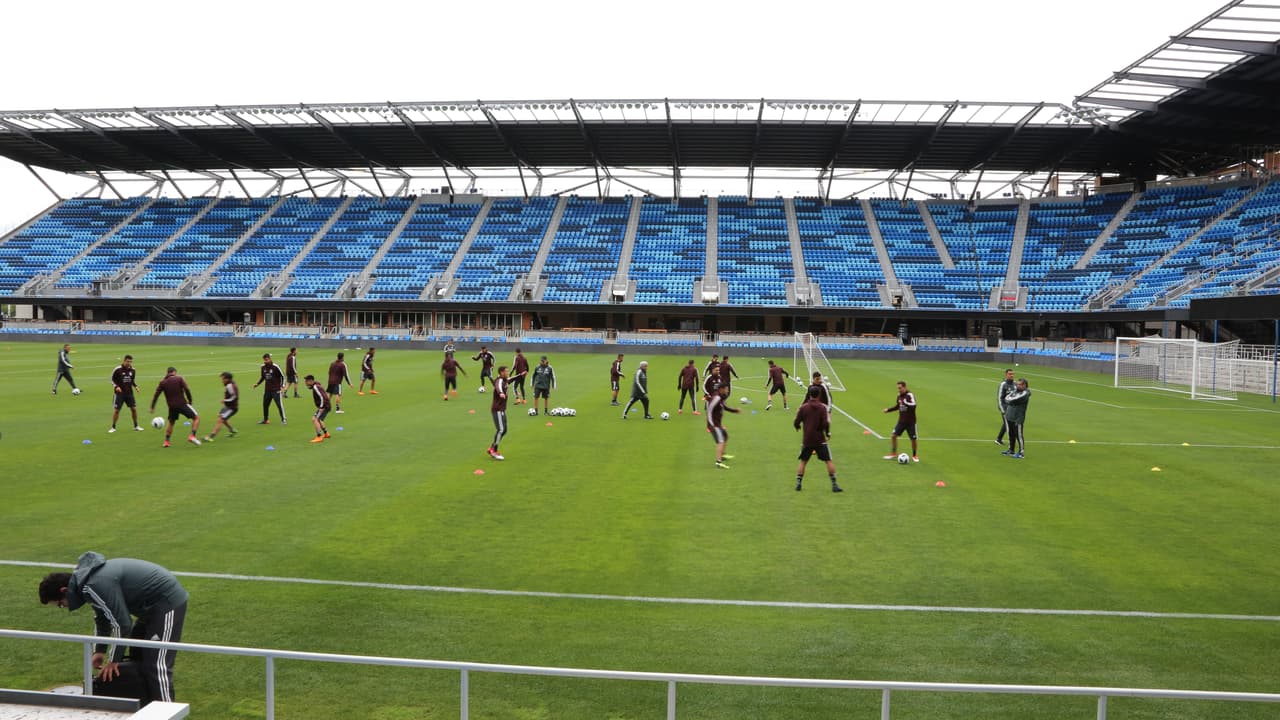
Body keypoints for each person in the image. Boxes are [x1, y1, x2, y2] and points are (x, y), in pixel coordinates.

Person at [40, 552, 189, 704]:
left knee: (157, 664)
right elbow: (102, 618)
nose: (63, 607)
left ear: (64, 590)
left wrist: (113, 660)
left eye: (60, 604)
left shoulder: (92, 585)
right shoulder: (86, 584)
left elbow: (123, 624)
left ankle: (167, 712)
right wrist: (99, 650)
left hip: (167, 603)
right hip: (149, 608)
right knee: (138, 655)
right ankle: (147, 706)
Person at [794, 386, 842, 492]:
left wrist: (797, 427)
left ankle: (798, 483)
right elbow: (826, 422)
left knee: (803, 461)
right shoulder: (822, 408)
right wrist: (827, 432)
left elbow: (796, 421)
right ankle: (834, 485)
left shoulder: (804, 407)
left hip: (807, 439)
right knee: (828, 461)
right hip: (820, 439)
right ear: (819, 395)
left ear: (809, 394)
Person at [149, 366, 200, 447]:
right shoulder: (179, 378)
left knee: (171, 423)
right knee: (196, 418)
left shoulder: (163, 382)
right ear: (174, 372)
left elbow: (156, 395)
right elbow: (187, 389)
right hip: (182, 404)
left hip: (172, 406)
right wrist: (190, 400)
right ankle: (192, 436)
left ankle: (166, 442)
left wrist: (152, 407)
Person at [882, 380, 918, 462]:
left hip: (911, 422)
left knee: (913, 439)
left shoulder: (910, 395)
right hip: (901, 421)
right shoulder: (899, 396)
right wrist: (888, 410)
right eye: (898, 388)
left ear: (905, 387)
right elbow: (897, 406)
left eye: (900, 388)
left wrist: (906, 403)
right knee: (893, 436)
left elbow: (914, 405)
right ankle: (894, 453)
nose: (899, 390)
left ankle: (914, 455)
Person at [706, 384, 740, 469]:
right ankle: (718, 462)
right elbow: (709, 411)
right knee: (721, 441)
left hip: (718, 424)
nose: (727, 391)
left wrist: (734, 411)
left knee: (725, 436)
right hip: (714, 424)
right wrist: (711, 425)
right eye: (726, 389)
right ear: (721, 389)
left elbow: (724, 407)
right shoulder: (716, 398)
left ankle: (722, 455)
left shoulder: (721, 398)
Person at [109, 354, 143, 432]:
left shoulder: (133, 370)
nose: (129, 363)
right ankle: (113, 427)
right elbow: (111, 380)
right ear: (124, 361)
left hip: (129, 393)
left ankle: (136, 426)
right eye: (128, 361)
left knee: (134, 409)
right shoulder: (117, 369)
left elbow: (132, 380)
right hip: (119, 394)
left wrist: (136, 386)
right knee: (117, 410)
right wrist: (116, 387)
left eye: (131, 362)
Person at [252, 353, 287, 425]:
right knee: (265, 404)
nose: (265, 361)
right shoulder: (263, 367)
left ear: (270, 359)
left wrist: (282, 386)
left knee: (279, 404)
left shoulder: (275, 367)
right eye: (264, 360)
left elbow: (283, 376)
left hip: (276, 390)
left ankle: (283, 419)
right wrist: (257, 384)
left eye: (267, 360)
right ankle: (266, 419)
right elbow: (263, 377)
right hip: (267, 390)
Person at [204, 372, 239, 442]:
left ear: (227, 379)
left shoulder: (230, 386)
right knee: (221, 417)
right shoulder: (229, 384)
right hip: (228, 406)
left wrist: (225, 400)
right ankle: (232, 430)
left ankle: (211, 437)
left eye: (223, 378)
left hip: (232, 407)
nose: (221, 380)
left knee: (220, 419)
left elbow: (234, 397)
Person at [1002, 378, 1031, 459]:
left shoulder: (1025, 393)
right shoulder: (1016, 391)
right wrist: (1009, 400)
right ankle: (1011, 450)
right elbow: (1007, 397)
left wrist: (1010, 400)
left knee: (1019, 435)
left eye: (1020, 384)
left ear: (1024, 385)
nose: (1018, 385)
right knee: (1011, 434)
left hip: (1017, 418)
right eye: (1017, 384)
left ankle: (1021, 453)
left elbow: (1013, 399)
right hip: (1010, 415)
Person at [488, 365, 512, 460]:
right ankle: (494, 450)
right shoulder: (499, 380)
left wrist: (520, 375)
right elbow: (498, 387)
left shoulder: (505, 380)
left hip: (501, 409)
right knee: (501, 430)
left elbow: (511, 379)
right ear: (501, 372)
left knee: (504, 430)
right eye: (506, 371)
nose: (508, 373)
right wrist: (501, 393)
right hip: (497, 409)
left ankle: (492, 448)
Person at [305, 374, 332, 443]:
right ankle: (326, 433)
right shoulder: (315, 385)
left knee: (315, 419)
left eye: (306, 381)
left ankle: (319, 436)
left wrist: (321, 407)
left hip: (324, 406)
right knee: (319, 419)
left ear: (311, 381)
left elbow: (322, 397)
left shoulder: (316, 387)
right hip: (326, 405)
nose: (305, 382)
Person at [995, 368, 1016, 445]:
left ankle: (998, 439)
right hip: (1006, 409)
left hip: (1013, 409)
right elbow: (999, 398)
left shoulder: (1015, 384)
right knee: (1009, 425)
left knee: (1007, 424)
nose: (1012, 375)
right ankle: (1011, 444)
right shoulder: (1003, 384)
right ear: (1006, 375)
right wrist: (1003, 410)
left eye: (1012, 374)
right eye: (1010, 374)